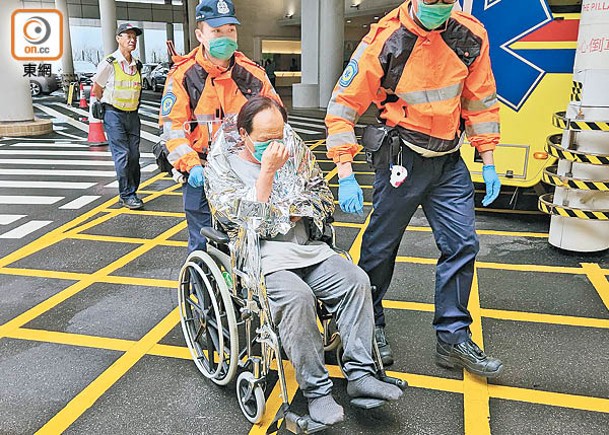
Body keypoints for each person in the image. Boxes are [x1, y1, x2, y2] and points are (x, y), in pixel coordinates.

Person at [324, 0, 504, 377]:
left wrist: (487, 160)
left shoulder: (470, 33)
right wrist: (344, 170)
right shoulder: (386, 38)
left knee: (462, 244)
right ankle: (367, 327)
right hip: (401, 156)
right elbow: (344, 104)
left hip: (449, 159)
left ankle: (453, 338)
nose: (438, 7)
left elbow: (480, 98)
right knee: (380, 247)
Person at [205, 96, 403, 426]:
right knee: (298, 299)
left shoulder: (293, 149)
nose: (276, 145)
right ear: (244, 134)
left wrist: (288, 211)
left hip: (308, 247)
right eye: (266, 139)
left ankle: (360, 373)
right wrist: (267, 173)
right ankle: (317, 392)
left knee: (356, 281)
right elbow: (244, 221)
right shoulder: (223, 166)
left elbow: (319, 195)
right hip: (262, 259)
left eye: (279, 135)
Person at [160, 0, 281, 253]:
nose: (225, 37)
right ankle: (202, 291)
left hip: (246, 171)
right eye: (217, 31)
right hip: (200, 172)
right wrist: (191, 165)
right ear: (200, 34)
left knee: (252, 237)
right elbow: (173, 129)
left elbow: (276, 120)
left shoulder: (254, 75)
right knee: (203, 242)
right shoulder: (183, 76)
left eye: (230, 30)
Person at [92, 23, 144, 210]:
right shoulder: (110, 63)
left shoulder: (137, 64)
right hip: (114, 114)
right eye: (127, 36)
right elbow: (97, 88)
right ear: (118, 39)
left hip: (133, 115)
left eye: (134, 37)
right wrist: (104, 104)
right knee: (123, 155)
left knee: (134, 156)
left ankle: (132, 191)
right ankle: (127, 195)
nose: (132, 40)